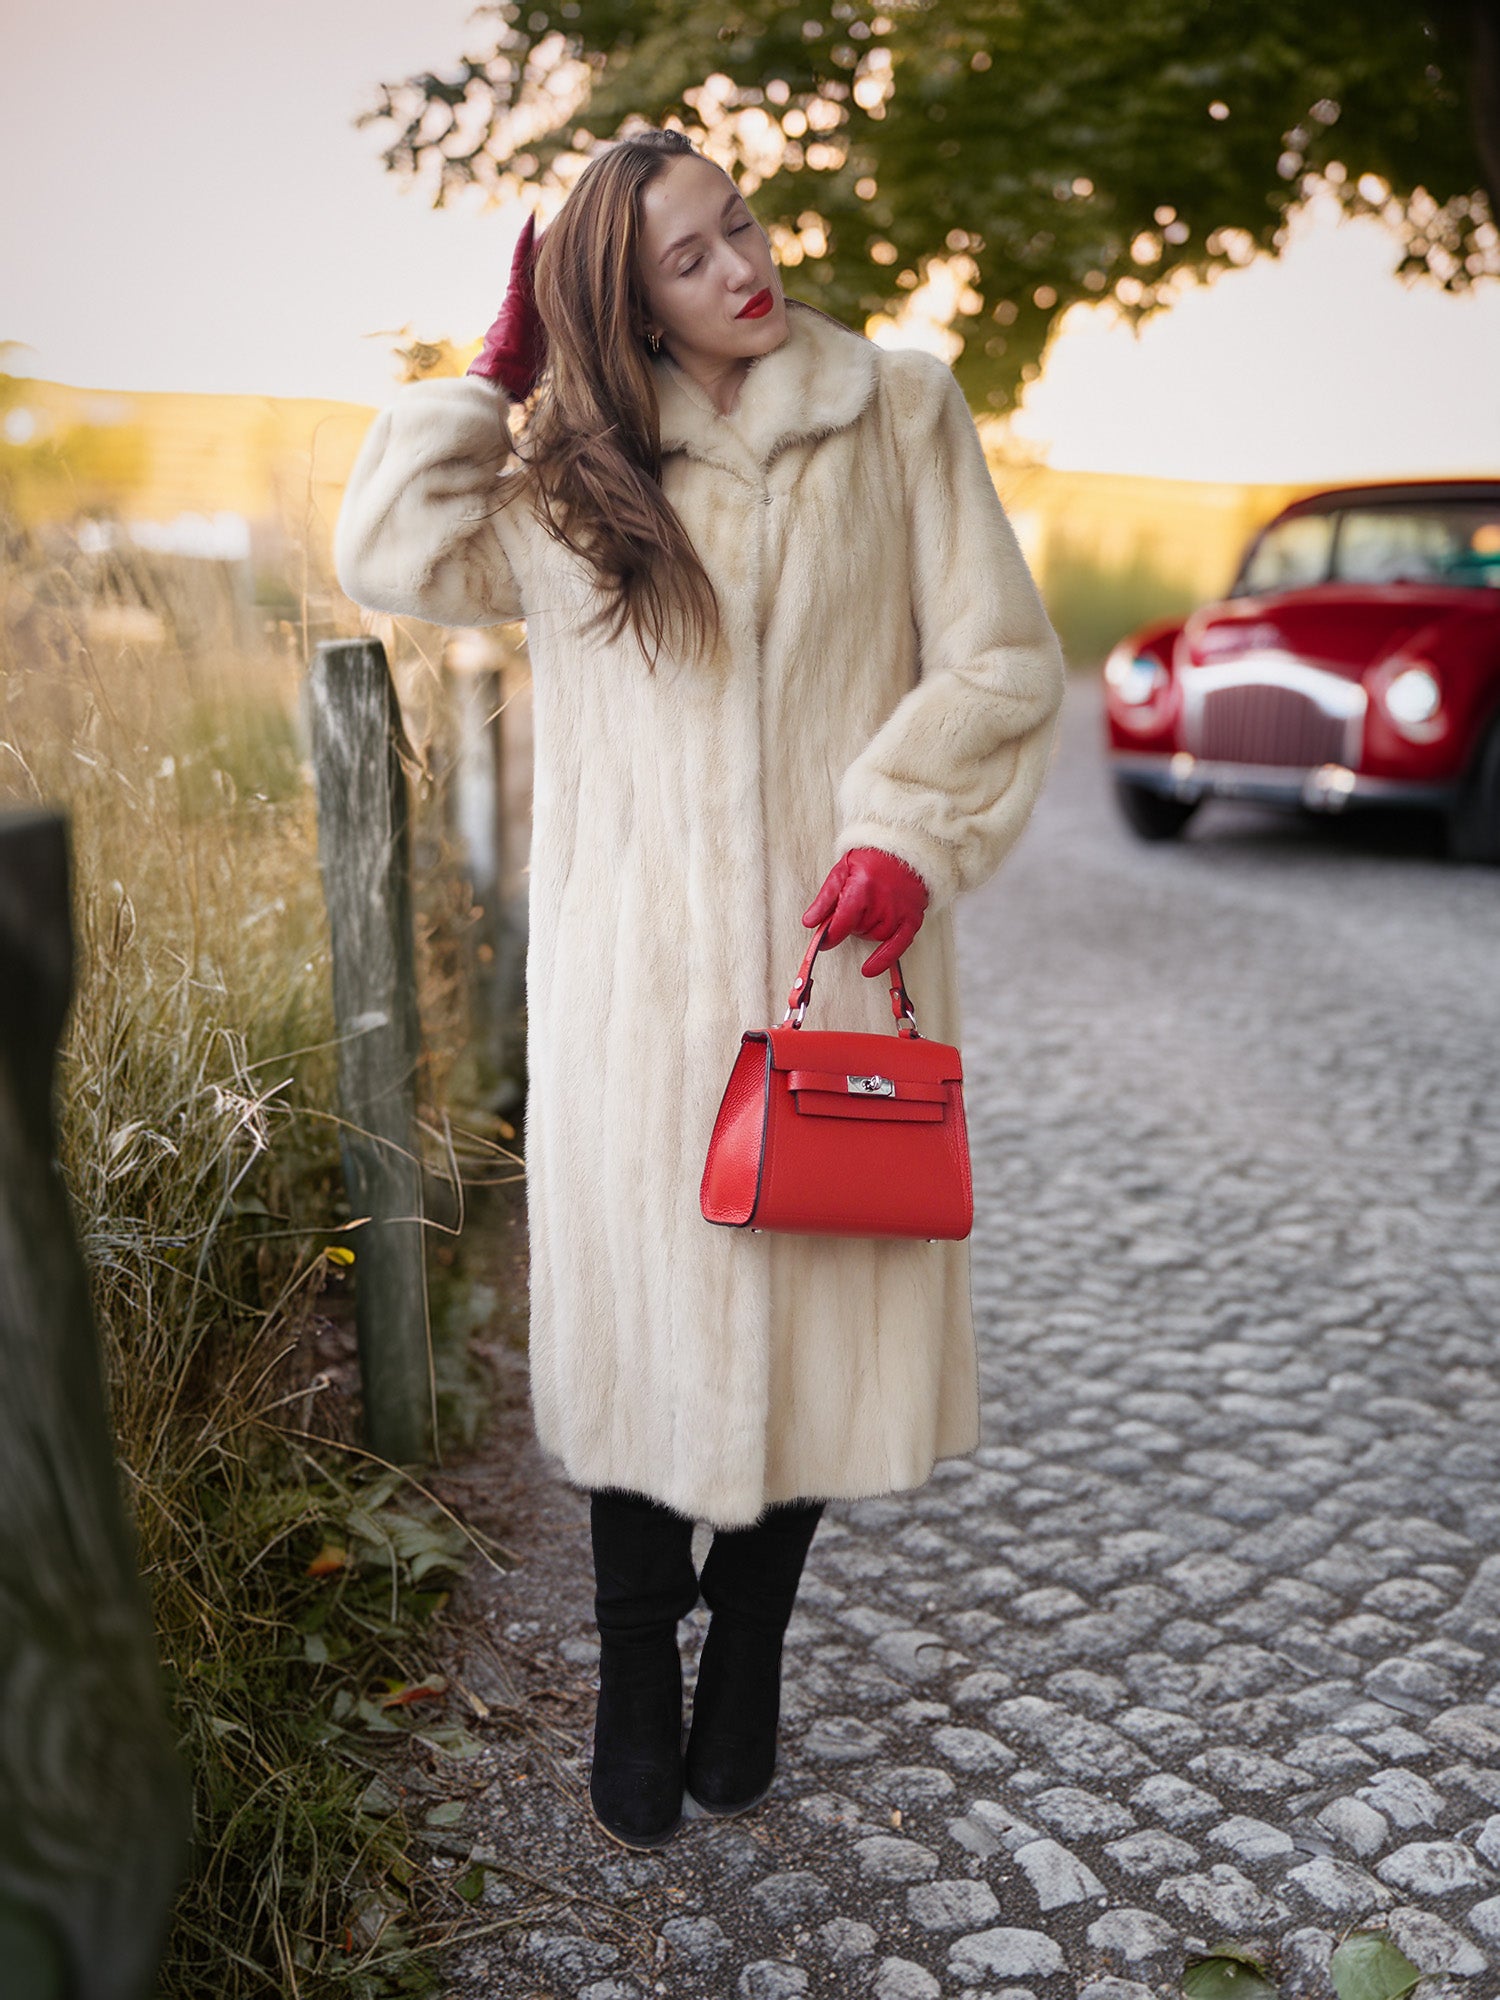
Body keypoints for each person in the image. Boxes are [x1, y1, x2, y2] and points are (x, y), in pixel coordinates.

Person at [334, 127, 1066, 1850]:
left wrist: (907, 827)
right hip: (632, 998)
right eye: (689, 255)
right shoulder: (572, 477)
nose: (745, 264)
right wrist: (501, 367)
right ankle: (628, 1668)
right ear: (624, 299)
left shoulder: (899, 409)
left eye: (740, 222)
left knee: (818, 1312)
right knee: (640, 1335)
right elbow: (388, 551)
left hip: (845, 976)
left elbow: (1002, 656)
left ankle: (748, 1643)